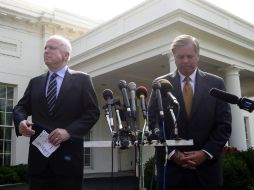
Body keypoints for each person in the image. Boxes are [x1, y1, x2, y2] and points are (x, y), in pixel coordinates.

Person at [13, 35, 100, 190]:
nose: (46, 51)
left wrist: (69, 132)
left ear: (66, 55)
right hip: (39, 162)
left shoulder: (82, 80)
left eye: (52, 48)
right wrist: (21, 121)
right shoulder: (35, 82)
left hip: (68, 163)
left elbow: (92, 112)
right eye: (45, 48)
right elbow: (21, 107)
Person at [148, 34, 232, 190]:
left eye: (190, 56)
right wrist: (173, 154)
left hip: (207, 171)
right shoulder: (159, 85)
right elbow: (153, 125)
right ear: (174, 57)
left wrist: (204, 153)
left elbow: (224, 125)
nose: (185, 60)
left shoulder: (216, 83)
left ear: (198, 56)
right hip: (170, 169)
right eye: (180, 57)